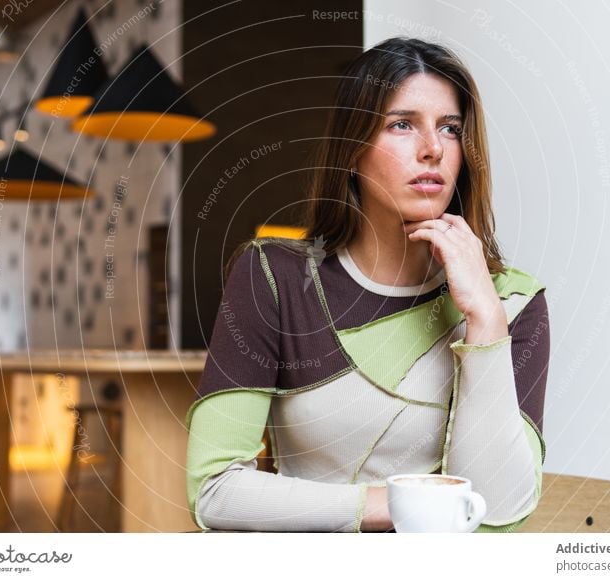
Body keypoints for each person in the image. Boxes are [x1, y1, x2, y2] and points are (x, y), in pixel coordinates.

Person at [185, 37, 549, 533]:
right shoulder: (275, 276)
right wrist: (402, 506)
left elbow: (500, 512)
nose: (433, 149)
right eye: (402, 124)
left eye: (451, 129)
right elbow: (216, 492)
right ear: (352, 149)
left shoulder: (512, 300)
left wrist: (485, 322)